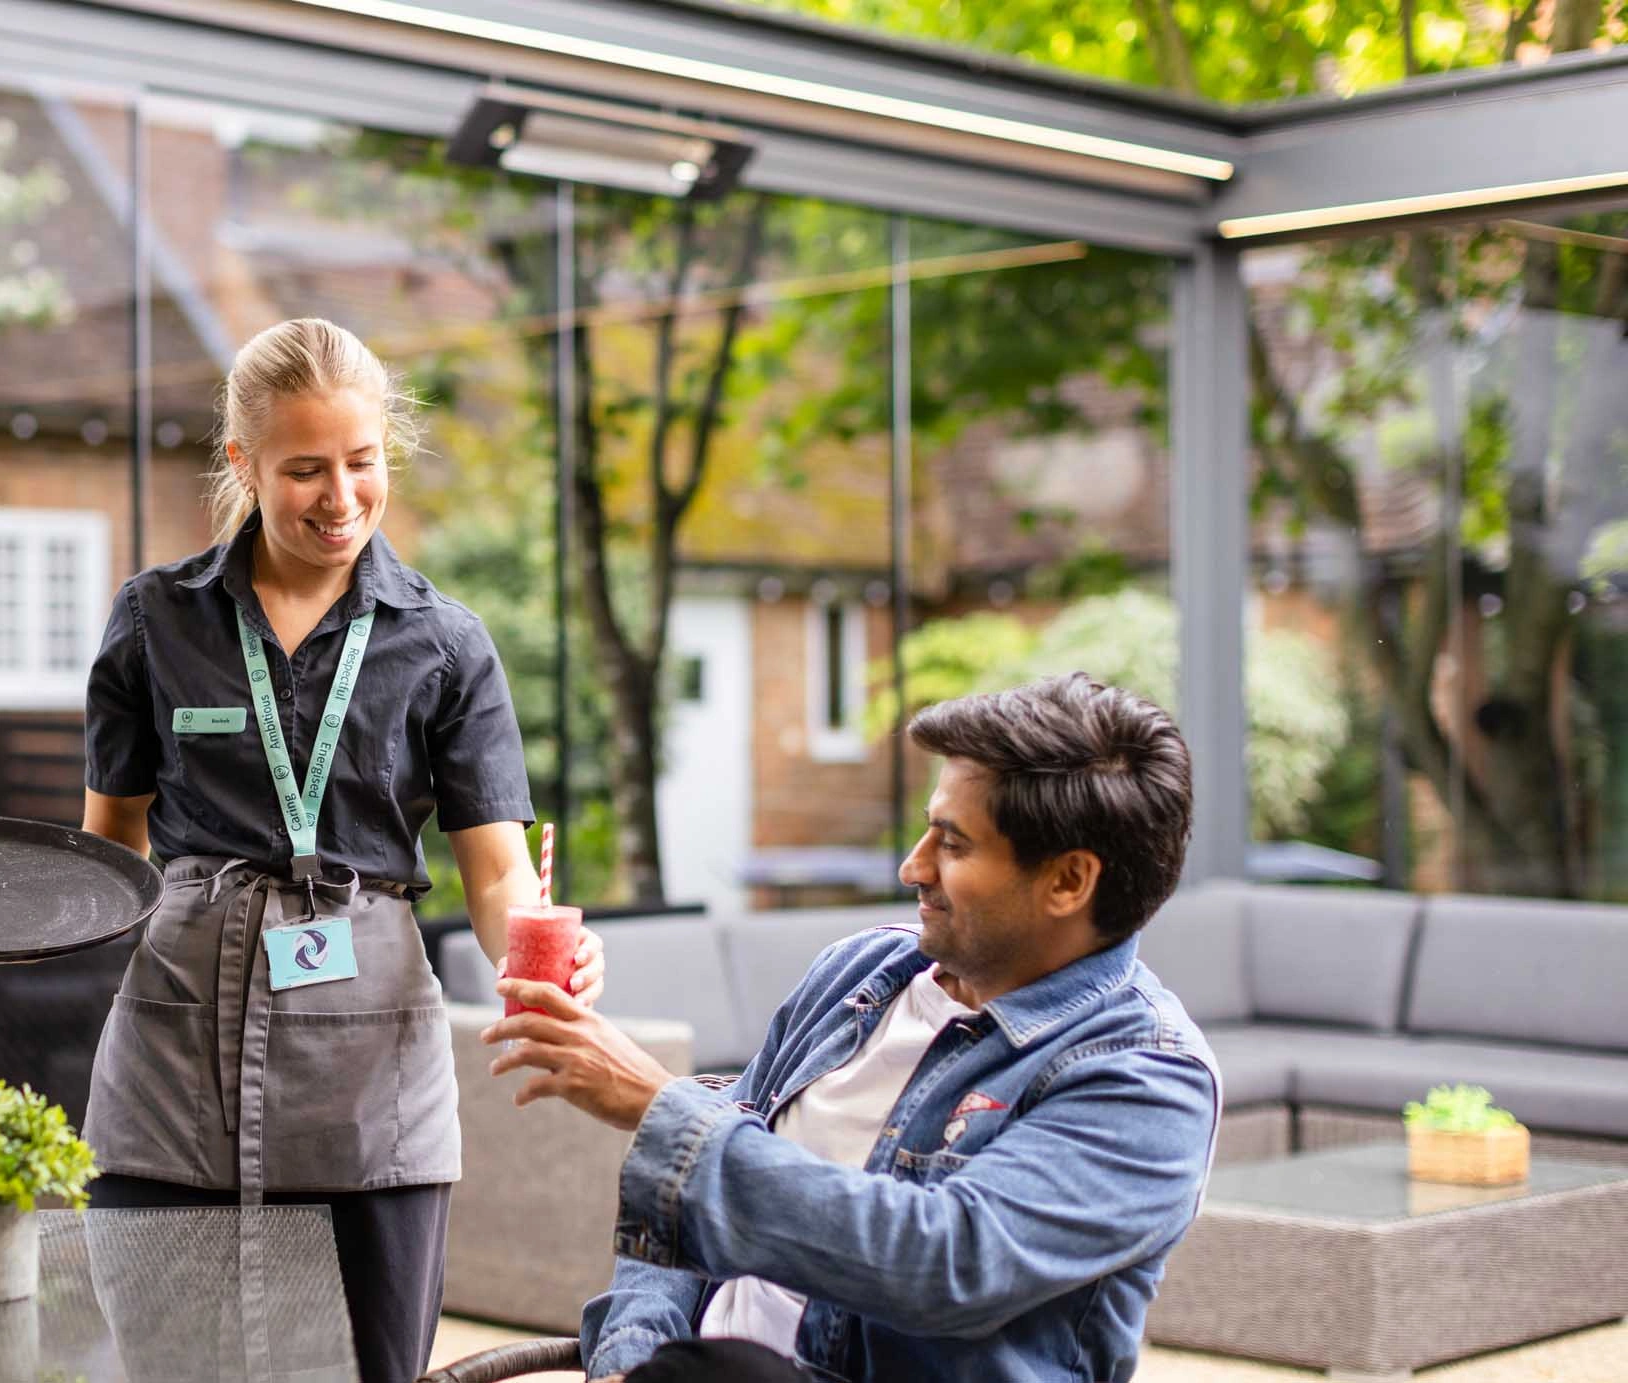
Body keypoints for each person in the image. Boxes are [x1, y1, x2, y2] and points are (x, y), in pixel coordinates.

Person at [79, 317, 604, 1383]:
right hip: (177, 1040)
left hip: (369, 1059)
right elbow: (108, 847)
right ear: (243, 464)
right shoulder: (155, 623)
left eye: (361, 463)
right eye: (304, 469)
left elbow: (497, 869)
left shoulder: (444, 643)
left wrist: (538, 970)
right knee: (169, 1358)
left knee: (372, 1364)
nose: (341, 497)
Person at [486, 673, 1220, 1383]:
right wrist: (630, 1356)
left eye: (954, 844)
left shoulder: (1147, 1078)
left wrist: (659, 1107)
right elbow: (682, 1208)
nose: (913, 865)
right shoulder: (861, 973)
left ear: (1068, 881)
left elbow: (940, 1262)